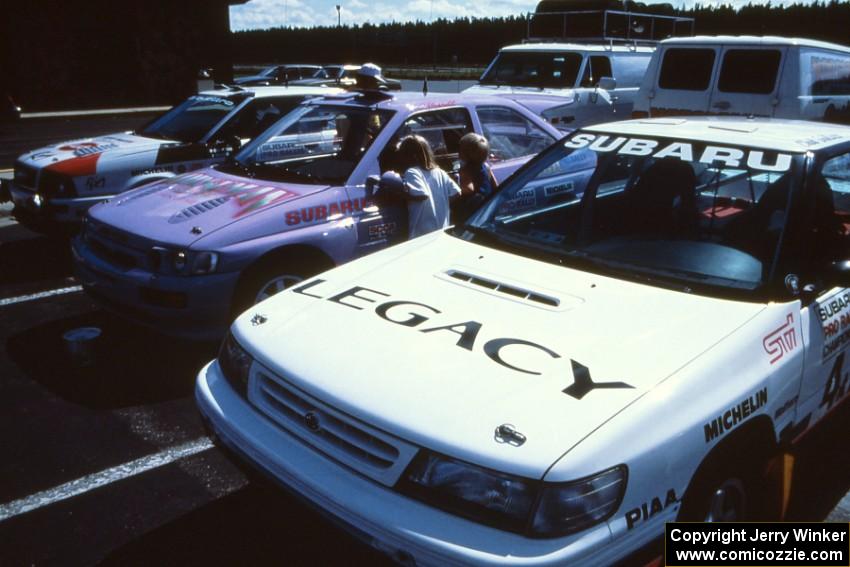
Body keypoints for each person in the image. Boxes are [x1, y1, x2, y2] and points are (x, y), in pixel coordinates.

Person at [382, 135, 461, 239]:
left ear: (412, 156)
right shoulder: (440, 172)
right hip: (442, 229)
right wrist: (440, 201)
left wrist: (401, 195)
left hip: (422, 234)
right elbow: (457, 192)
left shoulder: (412, 171)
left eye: (402, 155)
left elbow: (421, 194)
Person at [454, 133, 497, 223]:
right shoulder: (486, 166)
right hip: (487, 205)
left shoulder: (465, 170)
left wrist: (454, 186)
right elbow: (495, 185)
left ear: (465, 153)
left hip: (474, 209)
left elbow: (469, 189)